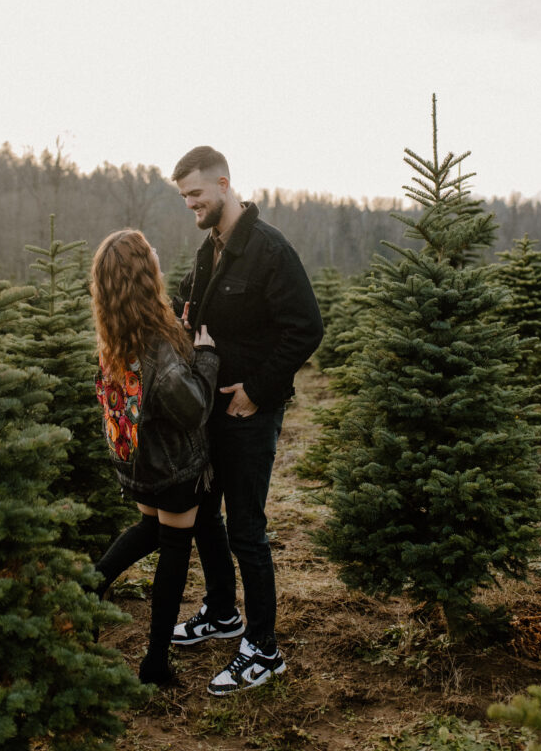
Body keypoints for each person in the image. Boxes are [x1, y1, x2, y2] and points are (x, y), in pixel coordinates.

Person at [170, 146, 323, 696]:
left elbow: (306, 328)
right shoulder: (209, 248)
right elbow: (192, 308)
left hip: (249, 412)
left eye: (196, 194)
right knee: (206, 514)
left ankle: (263, 648)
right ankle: (220, 612)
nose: (189, 204)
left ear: (224, 184)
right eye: (183, 196)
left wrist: (256, 393)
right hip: (209, 406)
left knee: (247, 531)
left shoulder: (268, 249)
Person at [90, 228, 219, 686]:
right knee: (174, 550)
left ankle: (91, 584)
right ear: (143, 274)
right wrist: (205, 356)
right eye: (151, 254)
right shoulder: (156, 341)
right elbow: (192, 408)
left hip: (137, 466)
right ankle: (155, 663)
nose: (159, 256)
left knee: (150, 527)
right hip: (173, 468)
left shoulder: (116, 330)